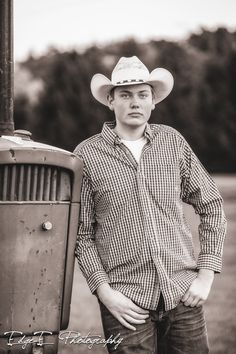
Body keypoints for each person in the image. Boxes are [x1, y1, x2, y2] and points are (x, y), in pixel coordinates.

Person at [74, 56, 227, 353]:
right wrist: (105, 293)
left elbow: (211, 204)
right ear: (110, 100)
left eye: (142, 95)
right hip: (126, 304)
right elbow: (81, 234)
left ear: (153, 101)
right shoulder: (87, 155)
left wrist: (206, 275)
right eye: (125, 95)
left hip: (182, 296)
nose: (135, 102)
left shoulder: (172, 142)